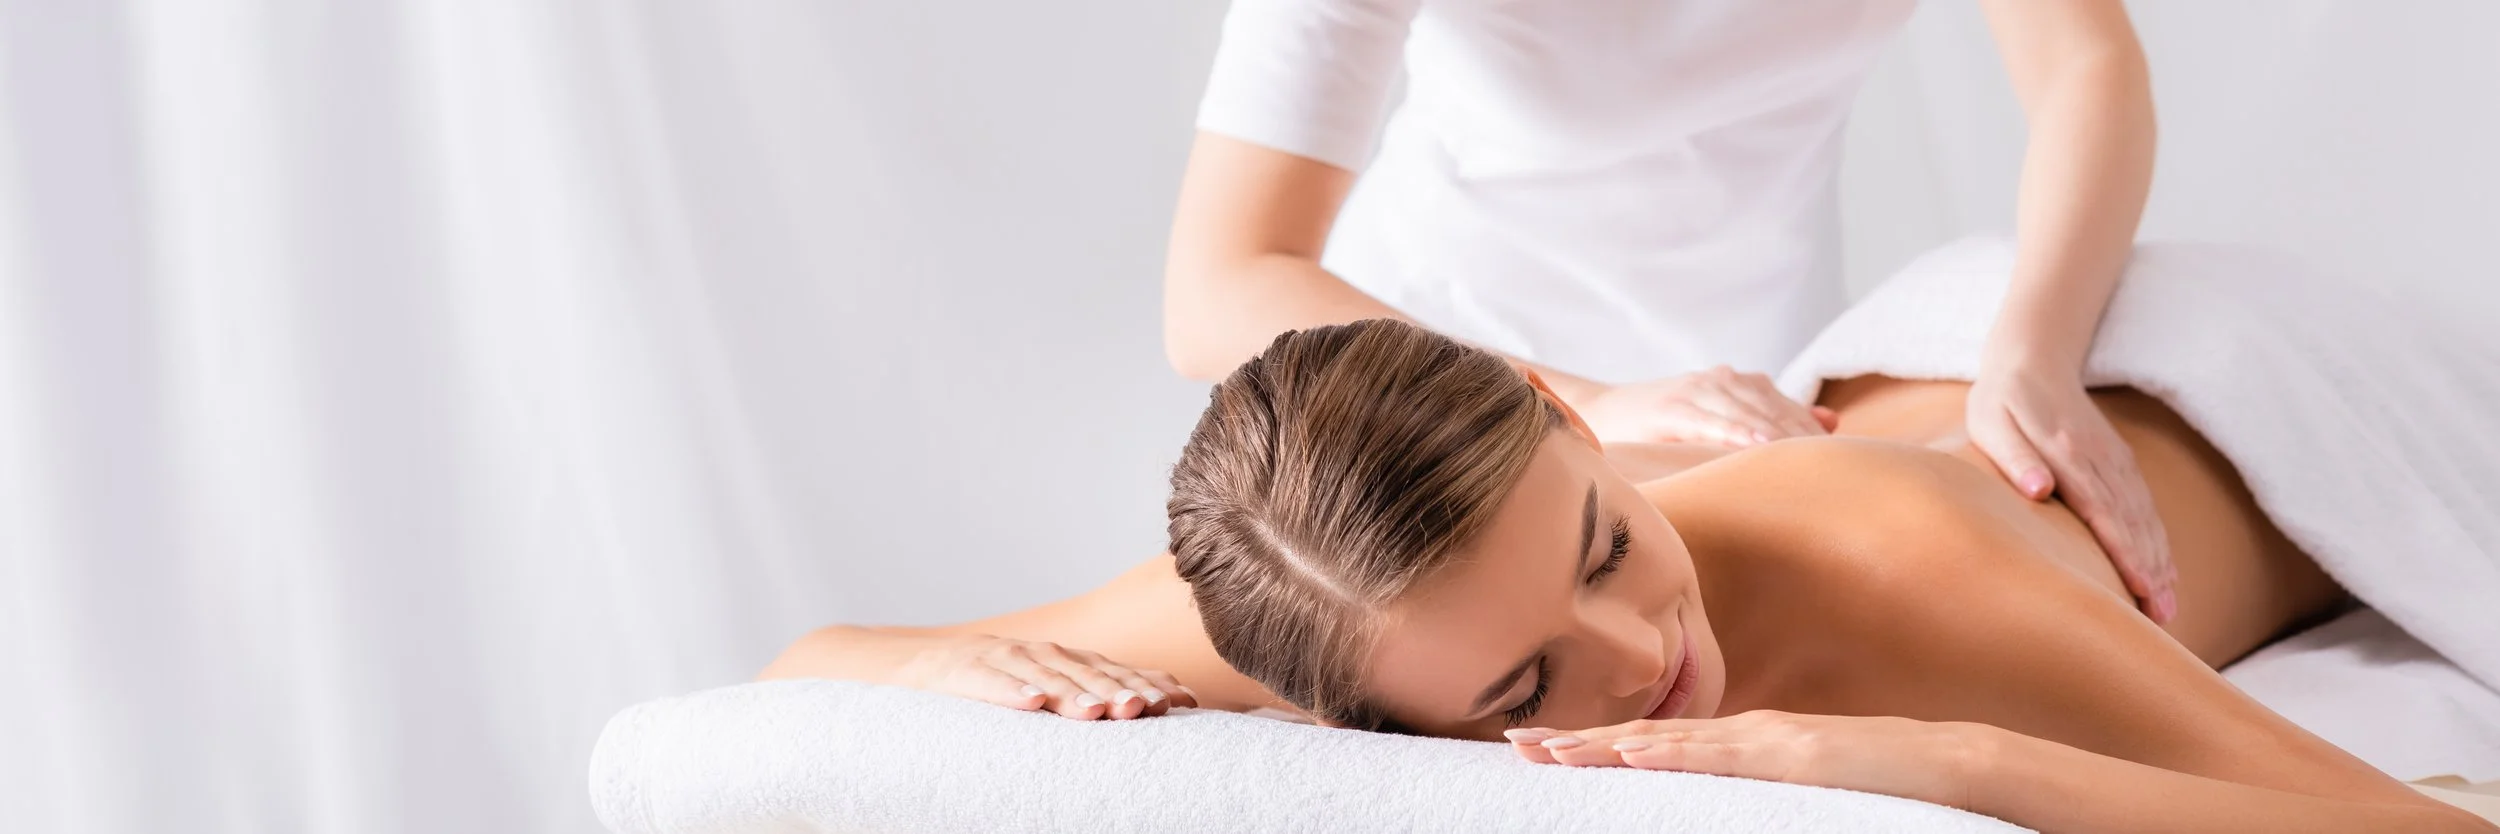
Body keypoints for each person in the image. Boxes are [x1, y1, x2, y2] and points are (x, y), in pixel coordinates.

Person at [761, 319, 2494, 830]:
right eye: (1518, 688)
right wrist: (952, 673)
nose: (1642, 647)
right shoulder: (1309, 586)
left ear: (1561, 410)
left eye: (1601, 541)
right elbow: (816, 658)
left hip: (2221, 377)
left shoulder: (1907, 556)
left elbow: (2414, 830)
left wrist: (1956, 761)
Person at [1162, 0, 2177, 622]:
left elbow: (2085, 65)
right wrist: (1580, 405)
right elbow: (1219, 285)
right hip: (1440, 387)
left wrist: (2034, 350)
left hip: (1751, 384)